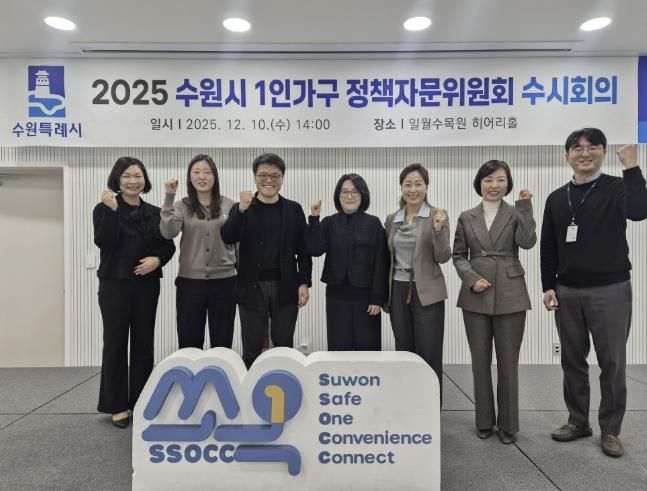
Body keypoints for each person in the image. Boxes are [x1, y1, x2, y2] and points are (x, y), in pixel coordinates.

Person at [541, 128, 647, 458]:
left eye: (592, 147)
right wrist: (548, 285)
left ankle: (611, 430)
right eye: (577, 148)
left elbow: (639, 211)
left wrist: (632, 166)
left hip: (610, 289)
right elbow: (548, 245)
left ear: (603, 151)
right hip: (567, 290)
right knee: (572, 360)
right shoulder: (556, 198)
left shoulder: (618, 187)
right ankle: (578, 421)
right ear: (567, 156)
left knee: (612, 362)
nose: (585, 153)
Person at [452, 160, 536, 444]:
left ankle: (509, 425)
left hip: (511, 292)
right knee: (479, 362)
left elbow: (527, 242)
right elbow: (458, 255)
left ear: (508, 183)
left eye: (500, 179)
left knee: (508, 363)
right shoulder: (467, 216)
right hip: (475, 293)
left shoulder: (516, 212)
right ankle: (484, 421)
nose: (494, 185)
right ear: (479, 183)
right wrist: (471, 278)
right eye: (488, 180)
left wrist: (525, 207)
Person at [93, 157, 175, 428]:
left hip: (146, 285)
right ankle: (117, 405)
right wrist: (112, 210)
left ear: (145, 180)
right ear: (117, 179)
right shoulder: (104, 208)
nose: (133, 181)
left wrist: (157, 260)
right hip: (114, 284)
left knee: (143, 343)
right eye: (127, 176)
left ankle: (140, 401)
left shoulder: (154, 212)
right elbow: (105, 241)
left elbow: (168, 245)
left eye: (138, 176)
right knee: (115, 343)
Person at [220, 153, 312, 368]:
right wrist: (240, 211)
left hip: (285, 285)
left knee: (283, 343)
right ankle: (251, 385)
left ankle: (285, 385)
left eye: (275, 175)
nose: (269, 180)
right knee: (252, 345)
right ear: (255, 178)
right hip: (251, 286)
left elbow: (304, 250)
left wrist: (304, 282)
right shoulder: (242, 208)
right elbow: (228, 236)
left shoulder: (293, 210)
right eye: (263, 175)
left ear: (282, 178)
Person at [385, 163, 450, 399]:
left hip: (427, 290)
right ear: (401, 188)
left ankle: (430, 405)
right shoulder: (392, 219)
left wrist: (439, 230)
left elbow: (443, 256)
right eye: (408, 184)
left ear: (426, 187)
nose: (413, 189)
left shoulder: (437, 215)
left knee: (429, 349)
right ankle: (407, 402)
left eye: (418, 184)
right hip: (398, 289)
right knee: (404, 349)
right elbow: (387, 258)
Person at [160, 155, 237, 350]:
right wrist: (169, 197)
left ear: (215, 176)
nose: (202, 177)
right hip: (190, 283)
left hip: (225, 282)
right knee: (189, 342)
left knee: (222, 342)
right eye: (196, 172)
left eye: (207, 172)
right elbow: (169, 232)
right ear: (190, 177)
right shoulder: (181, 206)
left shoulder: (229, 205)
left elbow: (238, 243)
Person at [305, 174, 389, 351]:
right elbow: (314, 249)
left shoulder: (373, 223)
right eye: (344, 192)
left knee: (368, 349)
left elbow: (381, 263)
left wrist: (377, 299)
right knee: (338, 347)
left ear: (362, 195)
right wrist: (314, 218)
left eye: (354, 192)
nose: (349, 196)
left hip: (366, 298)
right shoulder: (329, 222)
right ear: (338, 196)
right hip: (336, 295)